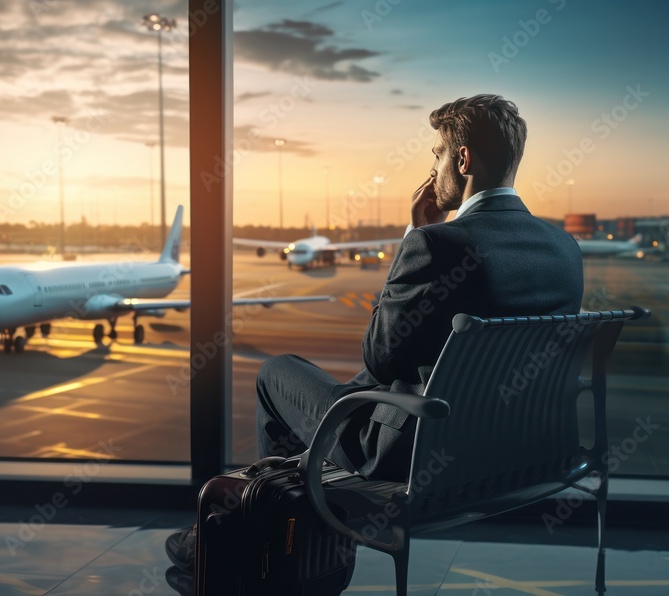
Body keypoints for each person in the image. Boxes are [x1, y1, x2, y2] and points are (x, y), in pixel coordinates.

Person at [166, 93, 584, 576]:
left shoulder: (439, 244)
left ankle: (286, 555)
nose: (434, 168)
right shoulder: (563, 248)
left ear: (463, 159)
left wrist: (415, 235)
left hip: (416, 455)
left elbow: (382, 354)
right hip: (519, 453)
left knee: (276, 373)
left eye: (438, 155)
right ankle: (259, 536)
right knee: (349, 388)